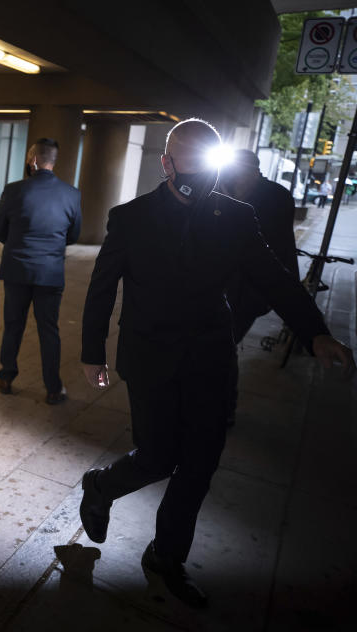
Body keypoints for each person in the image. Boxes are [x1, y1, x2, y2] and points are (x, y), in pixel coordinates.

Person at [79, 119, 354, 608]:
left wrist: (315, 332)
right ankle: (101, 486)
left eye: (210, 159)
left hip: (210, 355)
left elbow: (275, 278)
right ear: (166, 163)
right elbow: (102, 289)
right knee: (158, 457)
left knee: (201, 463)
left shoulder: (238, 216)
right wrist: (91, 354)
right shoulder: (131, 217)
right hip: (150, 357)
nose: (201, 171)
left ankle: (166, 557)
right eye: (189, 158)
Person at [0, 138, 81, 404]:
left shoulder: (14, 190)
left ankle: (6, 377)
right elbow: (74, 235)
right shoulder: (72, 194)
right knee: (49, 329)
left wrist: (18, 242)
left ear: (32, 159)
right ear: (53, 161)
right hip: (50, 273)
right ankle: (53, 388)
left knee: (13, 326)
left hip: (17, 269)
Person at [219, 150, 299, 425]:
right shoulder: (224, 189)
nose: (235, 177)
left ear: (253, 171)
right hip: (222, 286)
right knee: (220, 346)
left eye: (239, 172)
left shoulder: (274, 197)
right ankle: (219, 404)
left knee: (224, 346)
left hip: (250, 289)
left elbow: (275, 249)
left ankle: (224, 407)